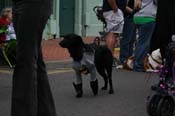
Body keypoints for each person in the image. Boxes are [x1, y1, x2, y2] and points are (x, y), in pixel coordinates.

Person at [11, 0, 57, 116]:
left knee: (25, 62)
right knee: (34, 59)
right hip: (19, 4)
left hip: (34, 3)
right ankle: (46, 112)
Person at [133, 0, 157, 72]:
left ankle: (137, 63)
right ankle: (138, 65)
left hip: (137, 16)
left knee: (141, 42)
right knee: (144, 43)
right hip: (148, 17)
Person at [119, 0, 136, 65]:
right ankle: (124, 59)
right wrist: (133, 12)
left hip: (132, 18)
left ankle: (129, 58)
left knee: (131, 39)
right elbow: (124, 6)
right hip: (128, 17)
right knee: (127, 39)